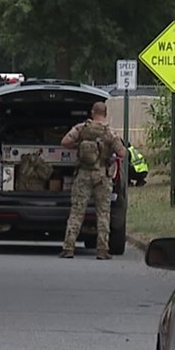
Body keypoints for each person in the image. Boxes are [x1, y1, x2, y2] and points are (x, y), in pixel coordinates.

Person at [59, 101, 126, 259]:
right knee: (103, 213)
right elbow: (122, 153)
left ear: (92, 112)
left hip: (83, 175)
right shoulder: (110, 133)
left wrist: (80, 147)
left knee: (76, 212)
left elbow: (65, 142)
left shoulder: (82, 128)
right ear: (105, 113)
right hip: (102, 176)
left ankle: (68, 247)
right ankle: (102, 250)